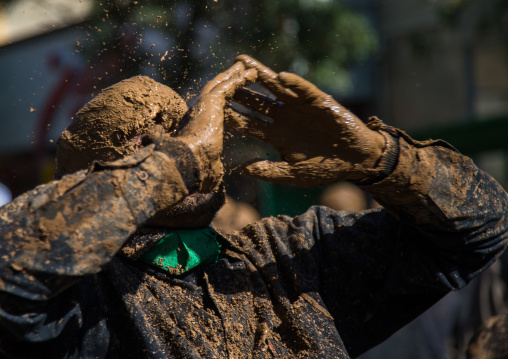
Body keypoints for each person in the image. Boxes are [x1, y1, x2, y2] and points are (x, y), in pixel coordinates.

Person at [0, 55, 507, 359]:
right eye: (137, 143)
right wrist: (173, 162)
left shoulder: (288, 254)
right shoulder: (87, 299)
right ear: (96, 183)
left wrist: (382, 158)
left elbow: (482, 229)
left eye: (181, 124)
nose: (180, 141)